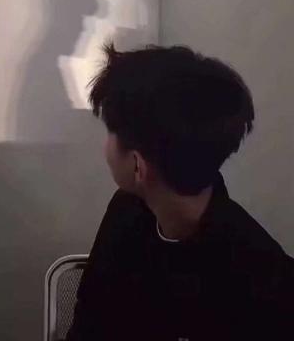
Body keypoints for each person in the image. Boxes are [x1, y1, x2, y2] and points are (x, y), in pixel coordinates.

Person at [66, 43, 294, 341]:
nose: (105, 146)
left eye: (110, 133)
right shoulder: (126, 212)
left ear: (137, 165)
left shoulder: (264, 278)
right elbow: (89, 324)